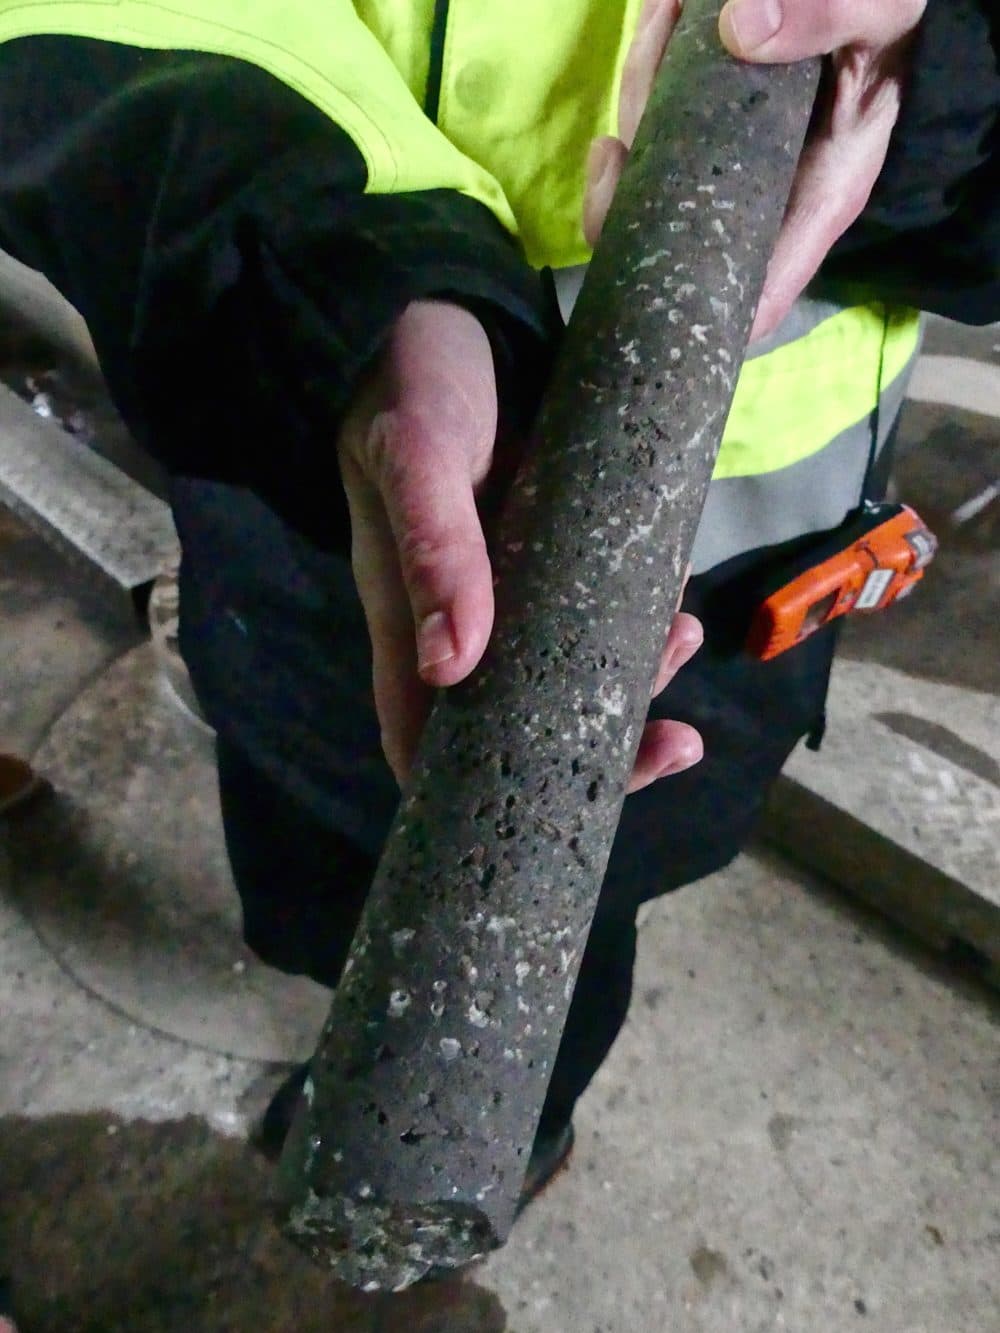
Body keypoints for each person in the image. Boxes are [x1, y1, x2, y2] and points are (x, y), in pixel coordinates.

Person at [0, 0, 997, 1315]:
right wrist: (348, 268)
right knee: (313, 828)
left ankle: (515, 1123)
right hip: (321, 424)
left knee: (586, 908)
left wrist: (951, 89)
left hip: (727, 562)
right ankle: (360, 1021)